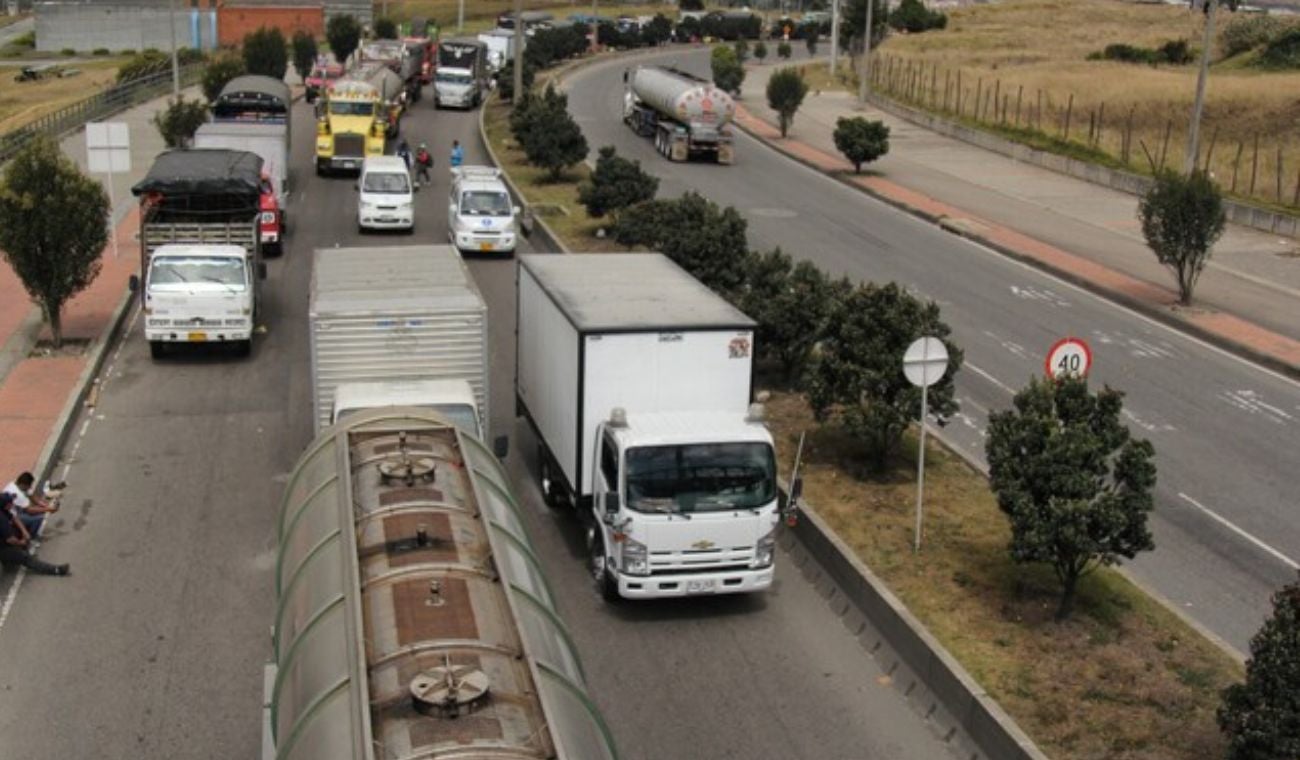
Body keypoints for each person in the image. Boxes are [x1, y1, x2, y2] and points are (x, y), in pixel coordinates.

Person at [0, 492, 68, 576]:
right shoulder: (2, 520)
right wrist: (21, 542)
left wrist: (24, 532)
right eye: (11, 502)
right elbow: (10, 540)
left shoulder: (3, 510)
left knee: (18, 531)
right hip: (2, 548)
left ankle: (12, 559)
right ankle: (56, 570)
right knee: (26, 559)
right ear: (7, 505)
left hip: (5, 540)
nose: (13, 503)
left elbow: (14, 518)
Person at [3, 472, 58, 543]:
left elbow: (33, 497)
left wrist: (47, 506)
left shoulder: (19, 483)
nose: (30, 487)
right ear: (23, 485)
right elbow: (30, 510)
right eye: (29, 486)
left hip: (17, 511)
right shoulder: (16, 493)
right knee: (39, 518)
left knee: (40, 510)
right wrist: (48, 509)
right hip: (10, 518)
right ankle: (31, 537)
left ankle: (27, 530)